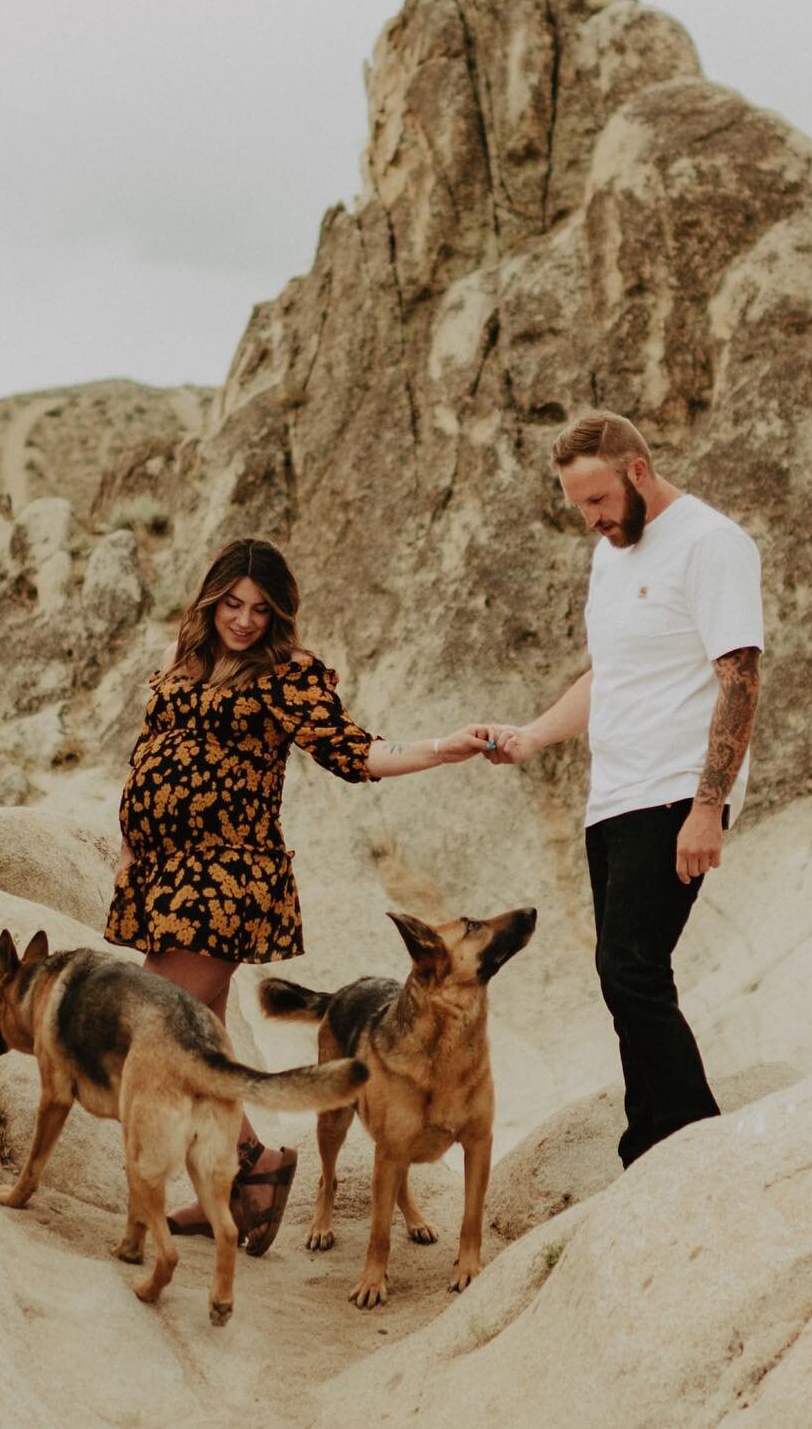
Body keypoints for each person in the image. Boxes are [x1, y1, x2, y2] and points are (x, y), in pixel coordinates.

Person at [105, 535, 491, 1251]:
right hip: (166, 871)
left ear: (279, 614)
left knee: (159, 1027)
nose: (244, 620)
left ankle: (248, 1169)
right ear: (211, 598)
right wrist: (131, 843)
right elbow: (148, 748)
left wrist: (442, 747)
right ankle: (247, 1178)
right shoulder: (181, 658)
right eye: (232, 603)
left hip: (224, 878)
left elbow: (354, 751)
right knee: (204, 1035)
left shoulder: (287, 675)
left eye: (260, 609)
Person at [484, 411, 763, 1169]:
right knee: (625, 976)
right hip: (613, 795)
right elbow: (613, 675)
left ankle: (692, 1139)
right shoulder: (611, 556)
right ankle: (649, 1142)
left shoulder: (711, 544)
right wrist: (538, 734)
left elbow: (739, 678)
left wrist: (709, 807)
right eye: (579, 505)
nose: (592, 519)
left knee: (629, 970)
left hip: (675, 793)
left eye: (599, 501)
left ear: (637, 471)